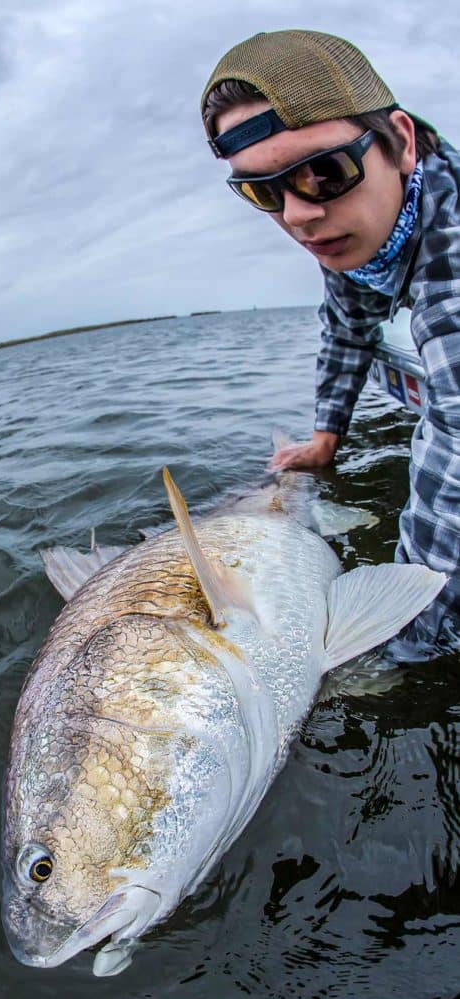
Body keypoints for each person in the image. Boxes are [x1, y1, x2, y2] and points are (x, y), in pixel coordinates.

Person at [200, 29, 459, 659]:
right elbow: (344, 333)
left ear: (400, 142)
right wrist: (325, 439)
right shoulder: (361, 241)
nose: (297, 215)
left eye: (323, 172)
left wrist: (400, 644)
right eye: (265, 192)